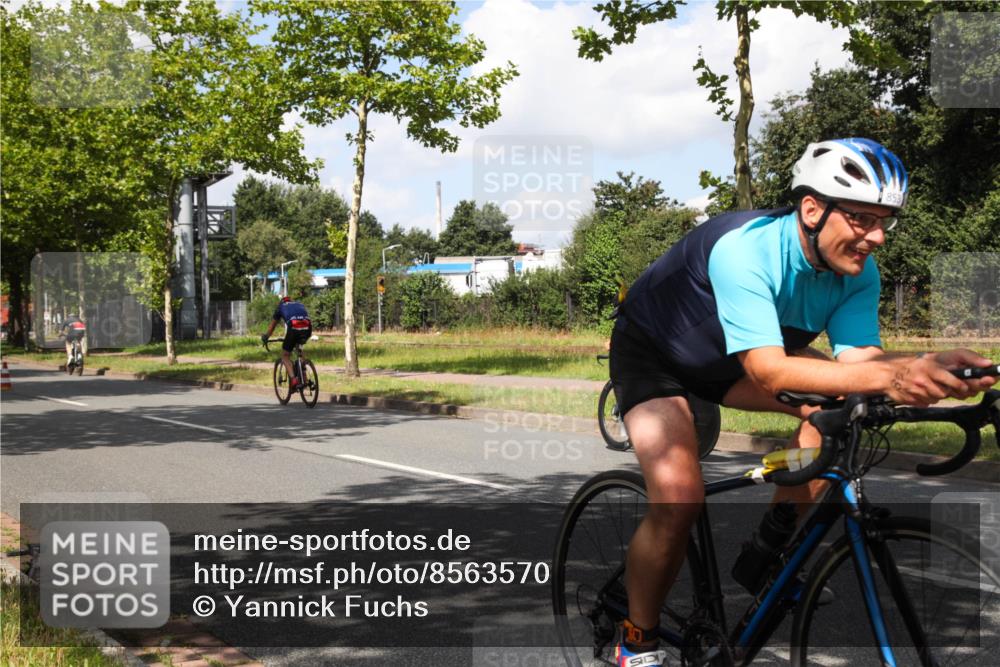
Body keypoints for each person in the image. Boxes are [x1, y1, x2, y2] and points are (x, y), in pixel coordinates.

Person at [609, 138, 997, 666]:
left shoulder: (857, 272)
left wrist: (930, 369)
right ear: (812, 209)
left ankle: (769, 552)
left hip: (734, 360)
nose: (877, 237)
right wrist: (895, 375)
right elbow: (768, 371)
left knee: (841, 406)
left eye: (885, 222)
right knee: (679, 494)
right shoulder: (745, 250)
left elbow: (859, 366)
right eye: (862, 219)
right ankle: (637, 641)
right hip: (658, 356)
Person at [262, 295, 312, 389]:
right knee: (299, 348)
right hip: (308, 327)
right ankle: (304, 374)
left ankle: (294, 379)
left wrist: (266, 337)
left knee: (285, 355)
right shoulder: (299, 304)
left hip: (293, 328)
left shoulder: (280, 307)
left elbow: (272, 326)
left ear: (281, 302)